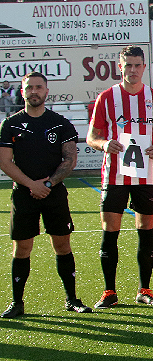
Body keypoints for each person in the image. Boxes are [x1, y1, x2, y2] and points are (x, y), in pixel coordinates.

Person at [86, 45, 153, 308]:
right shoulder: (106, 98)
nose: (132, 70)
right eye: (128, 65)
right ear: (120, 67)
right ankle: (109, 292)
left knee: (146, 233)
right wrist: (104, 144)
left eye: (137, 65)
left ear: (144, 68)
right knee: (110, 232)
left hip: (147, 176)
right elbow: (92, 137)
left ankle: (144, 290)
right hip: (114, 176)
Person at [0, 72, 90, 318]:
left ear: (46, 91)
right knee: (22, 248)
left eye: (38, 87)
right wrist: (32, 185)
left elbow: (70, 159)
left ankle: (72, 299)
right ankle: (17, 303)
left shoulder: (60, 123)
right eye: (29, 88)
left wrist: (48, 184)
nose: (34, 91)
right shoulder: (10, 124)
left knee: (62, 245)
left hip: (54, 194)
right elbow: (5, 162)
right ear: (22, 91)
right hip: (23, 194)